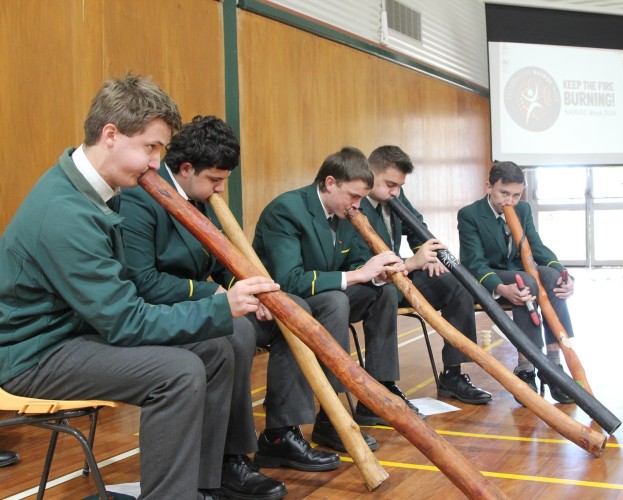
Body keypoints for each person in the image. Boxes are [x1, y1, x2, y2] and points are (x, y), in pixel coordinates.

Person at [0, 75, 286, 500]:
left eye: (160, 151)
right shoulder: (66, 213)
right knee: (177, 371)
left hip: (77, 333)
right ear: (110, 135)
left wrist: (221, 315)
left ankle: (206, 482)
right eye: (150, 147)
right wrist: (221, 306)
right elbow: (124, 323)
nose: (156, 163)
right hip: (36, 353)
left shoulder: (98, 189)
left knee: (215, 346)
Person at [118, 116, 340, 478]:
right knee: (236, 333)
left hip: (210, 302)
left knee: (294, 311)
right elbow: (143, 282)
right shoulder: (139, 201)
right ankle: (228, 457)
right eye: (216, 180)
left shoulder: (200, 197)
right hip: (168, 313)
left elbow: (219, 261)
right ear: (186, 168)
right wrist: (215, 292)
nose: (220, 190)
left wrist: (258, 292)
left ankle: (281, 435)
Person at [252, 147, 424, 448]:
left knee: (382, 292)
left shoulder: (345, 212)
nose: (358, 205)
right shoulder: (287, 210)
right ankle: (332, 417)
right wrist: (357, 275)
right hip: (286, 300)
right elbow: (288, 280)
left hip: (325, 296)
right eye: (353, 196)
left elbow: (356, 261)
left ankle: (377, 391)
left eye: (360, 198)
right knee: (336, 301)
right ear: (330, 183)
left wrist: (375, 272)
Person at [355, 145, 491, 405]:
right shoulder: (355, 203)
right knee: (383, 292)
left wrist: (427, 256)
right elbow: (365, 263)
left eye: (399, 186)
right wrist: (412, 262)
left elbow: (416, 226)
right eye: (390, 184)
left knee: (457, 283)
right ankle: (383, 384)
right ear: (370, 173)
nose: (395, 192)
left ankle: (453, 374)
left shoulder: (393, 193)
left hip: (400, 276)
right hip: (373, 282)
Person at [457, 160, 575, 405]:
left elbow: (536, 247)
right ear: (489, 187)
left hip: (519, 271)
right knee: (528, 283)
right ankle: (526, 367)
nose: (509, 201)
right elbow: (474, 262)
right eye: (504, 193)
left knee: (552, 278)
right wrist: (499, 288)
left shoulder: (523, 210)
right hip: (491, 275)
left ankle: (553, 365)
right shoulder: (469, 215)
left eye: (516, 195)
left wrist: (563, 273)